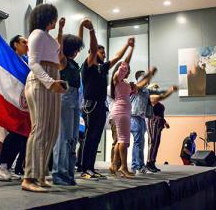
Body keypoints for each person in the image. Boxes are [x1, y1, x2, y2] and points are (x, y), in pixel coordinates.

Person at [21, 4, 67, 192]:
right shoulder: (37, 34)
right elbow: (33, 62)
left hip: (51, 80)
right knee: (40, 129)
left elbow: (59, 57)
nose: (56, 20)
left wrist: (55, 81)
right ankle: (28, 177)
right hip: (40, 82)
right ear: (48, 17)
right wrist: (50, 81)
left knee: (52, 131)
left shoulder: (48, 37)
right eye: (54, 17)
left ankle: (39, 175)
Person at [78, 25, 131, 180]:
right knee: (89, 137)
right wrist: (92, 32)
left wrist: (127, 45)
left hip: (101, 105)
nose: (104, 54)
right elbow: (94, 50)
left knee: (96, 138)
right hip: (90, 105)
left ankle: (91, 168)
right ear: (93, 54)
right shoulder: (87, 67)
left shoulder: (102, 68)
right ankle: (84, 169)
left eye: (104, 52)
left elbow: (116, 57)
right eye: (102, 52)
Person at [51, 19, 90, 186]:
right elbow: (58, 47)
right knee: (63, 138)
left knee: (73, 138)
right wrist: (60, 29)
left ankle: (68, 173)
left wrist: (81, 27)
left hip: (74, 99)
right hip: (64, 97)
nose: (77, 51)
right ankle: (59, 174)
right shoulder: (63, 61)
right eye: (75, 48)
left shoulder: (73, 62)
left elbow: (78, 42)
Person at [109, 39, 150, 178]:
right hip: (121, 111)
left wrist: (150, 74)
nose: (128, 71)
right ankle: (124, 167)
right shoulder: (117, 78)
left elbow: (139, 86)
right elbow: (125, 63)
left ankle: (114, 165)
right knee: (124, 140)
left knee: (121, 140)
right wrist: (131, 48)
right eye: (126, 70)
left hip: (124, 111)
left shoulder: (125, 83)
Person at [0, 35, 30, 181]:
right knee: (14, 133)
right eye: (23, 42)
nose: (27, 44)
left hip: (23, 103)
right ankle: (1, 164)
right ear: (15, 44)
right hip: (9, 101)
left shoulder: (26, 61)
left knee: (22, 136)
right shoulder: (8, 57)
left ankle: (7, 166)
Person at [146, 83, 178, 172]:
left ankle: (152, 162)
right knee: (152, 142)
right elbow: (160, 97)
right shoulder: (151, 98)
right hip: (153, 121)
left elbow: (160, 114)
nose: (157, 89)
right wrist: (170, 90)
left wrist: (164, 122)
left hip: (159, 123)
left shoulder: (158, 101)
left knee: (156, 143)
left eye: (157, 88)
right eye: (155, 88)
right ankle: (148, 162)